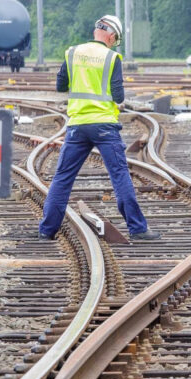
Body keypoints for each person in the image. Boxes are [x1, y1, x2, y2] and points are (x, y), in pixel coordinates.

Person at [38, 15, 161, 241]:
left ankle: (47, 231)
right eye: (116, 39)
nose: (114, 43)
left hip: (77, 125)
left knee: (62, 178)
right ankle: (137, 228)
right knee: (119, 174)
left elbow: (60, 85)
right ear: (111, 35)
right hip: (104, 124)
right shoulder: (111, 57)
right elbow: (118, 95)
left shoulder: (72, 53)